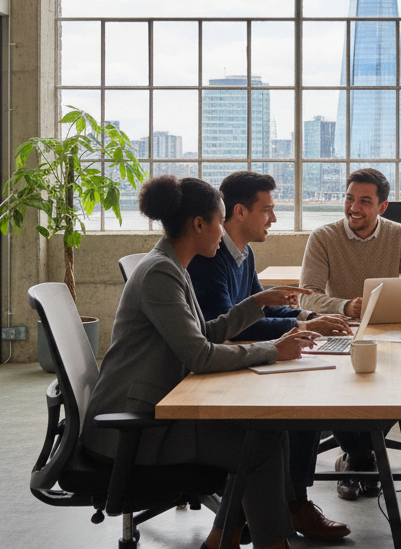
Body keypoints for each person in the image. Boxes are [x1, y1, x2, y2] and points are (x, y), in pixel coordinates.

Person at [80, 175, 317, 549]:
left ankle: (227, 538)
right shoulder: (160, 272)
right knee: (261, 449)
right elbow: (200, 355)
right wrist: (273, 349)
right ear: (199, 224)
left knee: (269, 430)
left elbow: (204, 331)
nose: (223, 232)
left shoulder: (171, 264)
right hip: (135, 431)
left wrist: (257, 303)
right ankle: (269, 544)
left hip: (156, 411)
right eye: (221, 222)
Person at [188, 171, 353, 541]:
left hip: (236, 363)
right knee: (292, 413)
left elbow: (258, 309)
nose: (273, 219)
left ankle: (244, 522)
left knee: (295, 404)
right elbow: (233, 328)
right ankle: (292, 507)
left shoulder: (242, 253)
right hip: (219, 375)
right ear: (240, 212)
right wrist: (295, 334)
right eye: (267, 210)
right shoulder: (210, 259)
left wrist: (309, 317)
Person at [298, 167, 401, 500]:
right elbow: (307, 295)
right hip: (338, 331)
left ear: (382, 207)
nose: (354, 207)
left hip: (387, 335)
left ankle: (355, 458)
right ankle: (364, 458)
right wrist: (345, 306)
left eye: (364, 201)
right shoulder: (324, 236)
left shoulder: (399, 235)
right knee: (334, 391)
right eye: (349, 198)